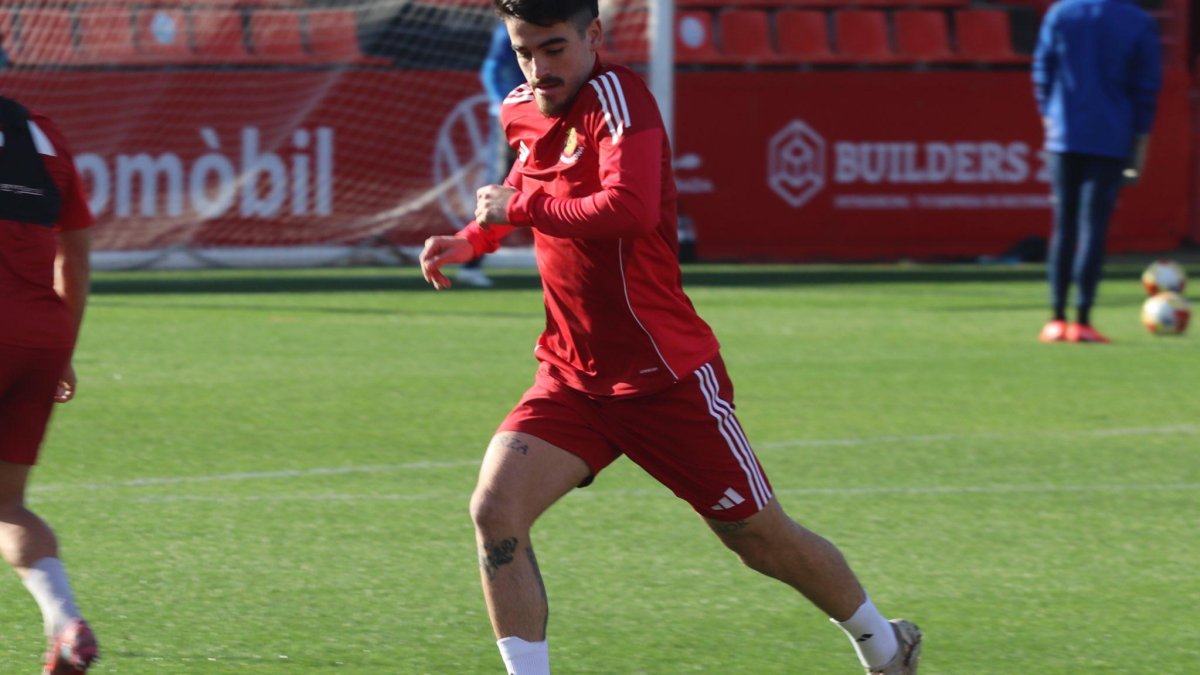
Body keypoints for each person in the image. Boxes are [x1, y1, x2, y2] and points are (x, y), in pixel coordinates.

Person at [418, 2, 921, 673]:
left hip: (667, 377)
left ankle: (884, 644)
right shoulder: (523, 105)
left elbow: (628, 207)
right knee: (495, 509)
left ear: (593, 36)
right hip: (572, 376)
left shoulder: (623, 100)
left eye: (553, 48)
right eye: (524, 52)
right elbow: (525, 178)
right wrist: (474, 238)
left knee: (758, 538)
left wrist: (522, 209)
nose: (538, 69)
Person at [0, 96, 99, 674]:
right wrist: (64, 352)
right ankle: (65, 623)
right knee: (7, 504)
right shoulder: (41, 132)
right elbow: (77, 255)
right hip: (39, 338)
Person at [1032, 0, 1162, 344]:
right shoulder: (1137, 21)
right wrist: (1141, 143)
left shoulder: (1061, 13)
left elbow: (1042, 68)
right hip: (1110, 136)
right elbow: (1146, 88)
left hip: (1064, 135)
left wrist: (1049, 116)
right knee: (1093, 228)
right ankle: (1084, 319)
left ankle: (1056, 319)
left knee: (1063, 225)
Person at [457, 22, 528, 289]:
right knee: (502, 188)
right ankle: (471, 261)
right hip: (512, 118)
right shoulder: (509, 28)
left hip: (543, 114)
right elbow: (491, 68)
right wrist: (502, 104)